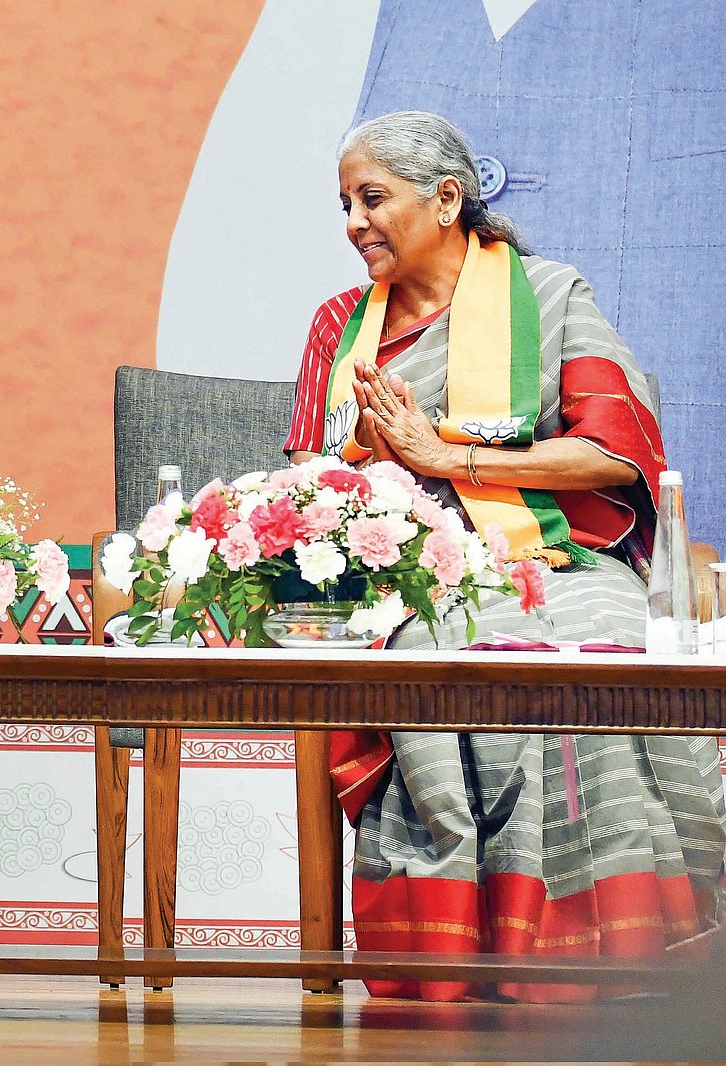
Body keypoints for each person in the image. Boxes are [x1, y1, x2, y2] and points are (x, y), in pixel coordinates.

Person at [285, 110, 726, 1002]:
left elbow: (618, 456)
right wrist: (371, 467)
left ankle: (646, 950)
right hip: (413, 574)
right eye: (344, 204)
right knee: (479, 673)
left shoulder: (552, 295)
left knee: (609, 669)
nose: (353, 223)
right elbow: (305, 479)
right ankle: (500, 954)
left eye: (373, 198)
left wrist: (446, 456)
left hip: (565, 557)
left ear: (447, 198)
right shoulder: (340, 325)